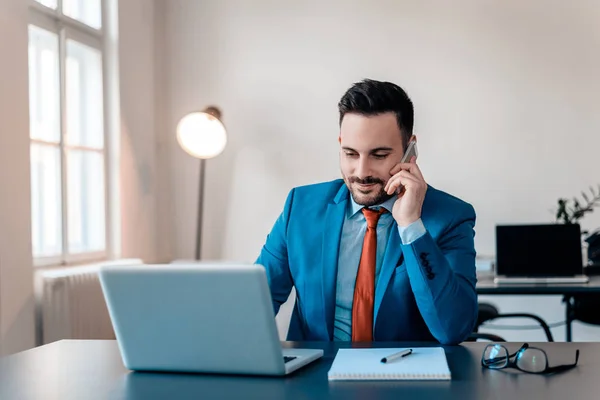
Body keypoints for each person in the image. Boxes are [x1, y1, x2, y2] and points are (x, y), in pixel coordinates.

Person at [256, 79, 477, 345]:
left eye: (379, 155)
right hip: (315, 378)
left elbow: (453, 329)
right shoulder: (300, 207)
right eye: (350, 153)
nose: (362, 172)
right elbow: (254, 305)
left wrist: (411, 225)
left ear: (410, 150)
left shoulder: (450, 217)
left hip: (404, 378)